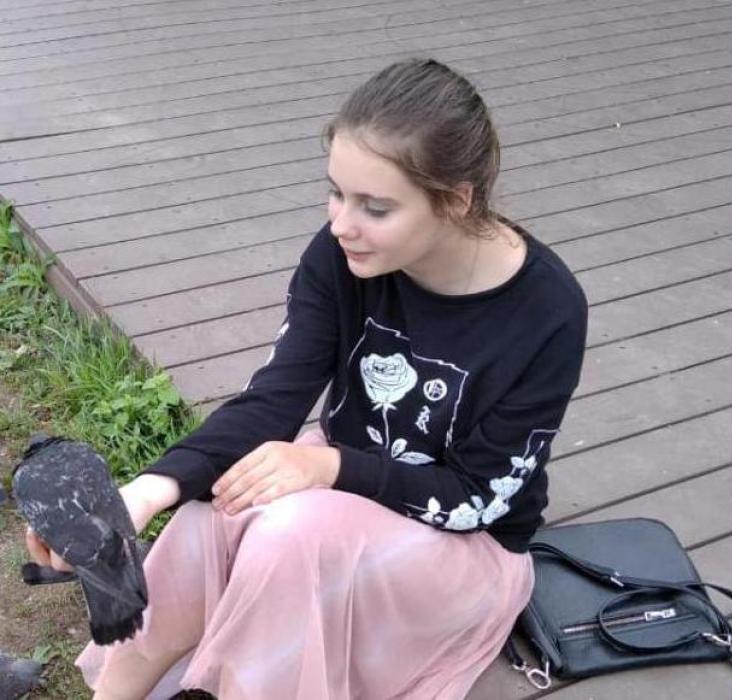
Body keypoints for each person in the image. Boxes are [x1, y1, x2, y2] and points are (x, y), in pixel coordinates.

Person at [25, 58, 587, 699]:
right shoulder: (342, 253)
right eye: (337, 193)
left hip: (464, 547)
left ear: (455, 201)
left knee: (291, 535)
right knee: (216, 512)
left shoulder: (546, 311)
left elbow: (475, 498)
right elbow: (274, 400)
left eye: (375, 207)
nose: (342, 223)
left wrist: (328, 468)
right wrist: (147, 493)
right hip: (339, 484)